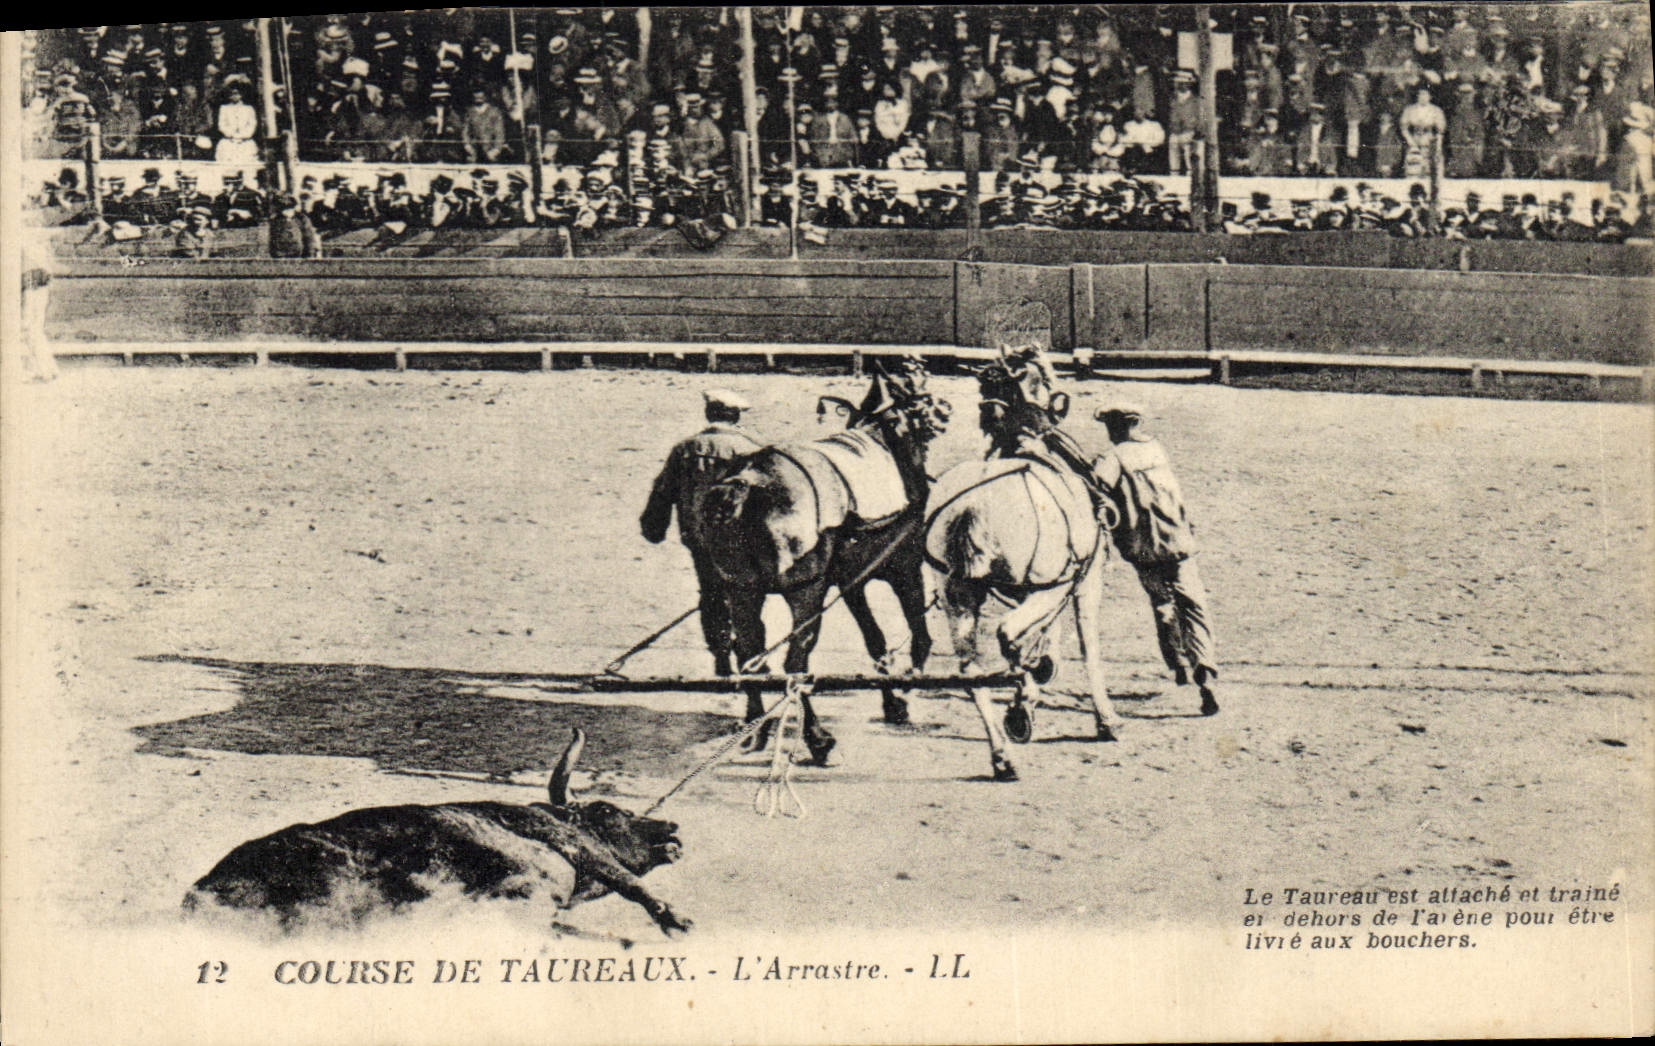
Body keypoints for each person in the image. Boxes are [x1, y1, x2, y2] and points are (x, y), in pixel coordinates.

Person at [1091, 402, 1218, 716]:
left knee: (1162, 604)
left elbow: (1096, 487)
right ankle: (1206, 671)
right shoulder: (1157, 449)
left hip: (1143, 547)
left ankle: (1178, 664)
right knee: (1194, 604)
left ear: (1119, 426)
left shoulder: (1114, 456)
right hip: (1177, 540)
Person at [640, 389, 763, 677]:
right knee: (745, 595)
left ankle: (720, 654)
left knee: (710, 593)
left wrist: (654, 527)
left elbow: (663, 491)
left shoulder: (685, 449)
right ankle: (748, 653)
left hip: (699, 537)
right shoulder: (751, 449)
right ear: (735, 416)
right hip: (740, 540)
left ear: (709, 414)